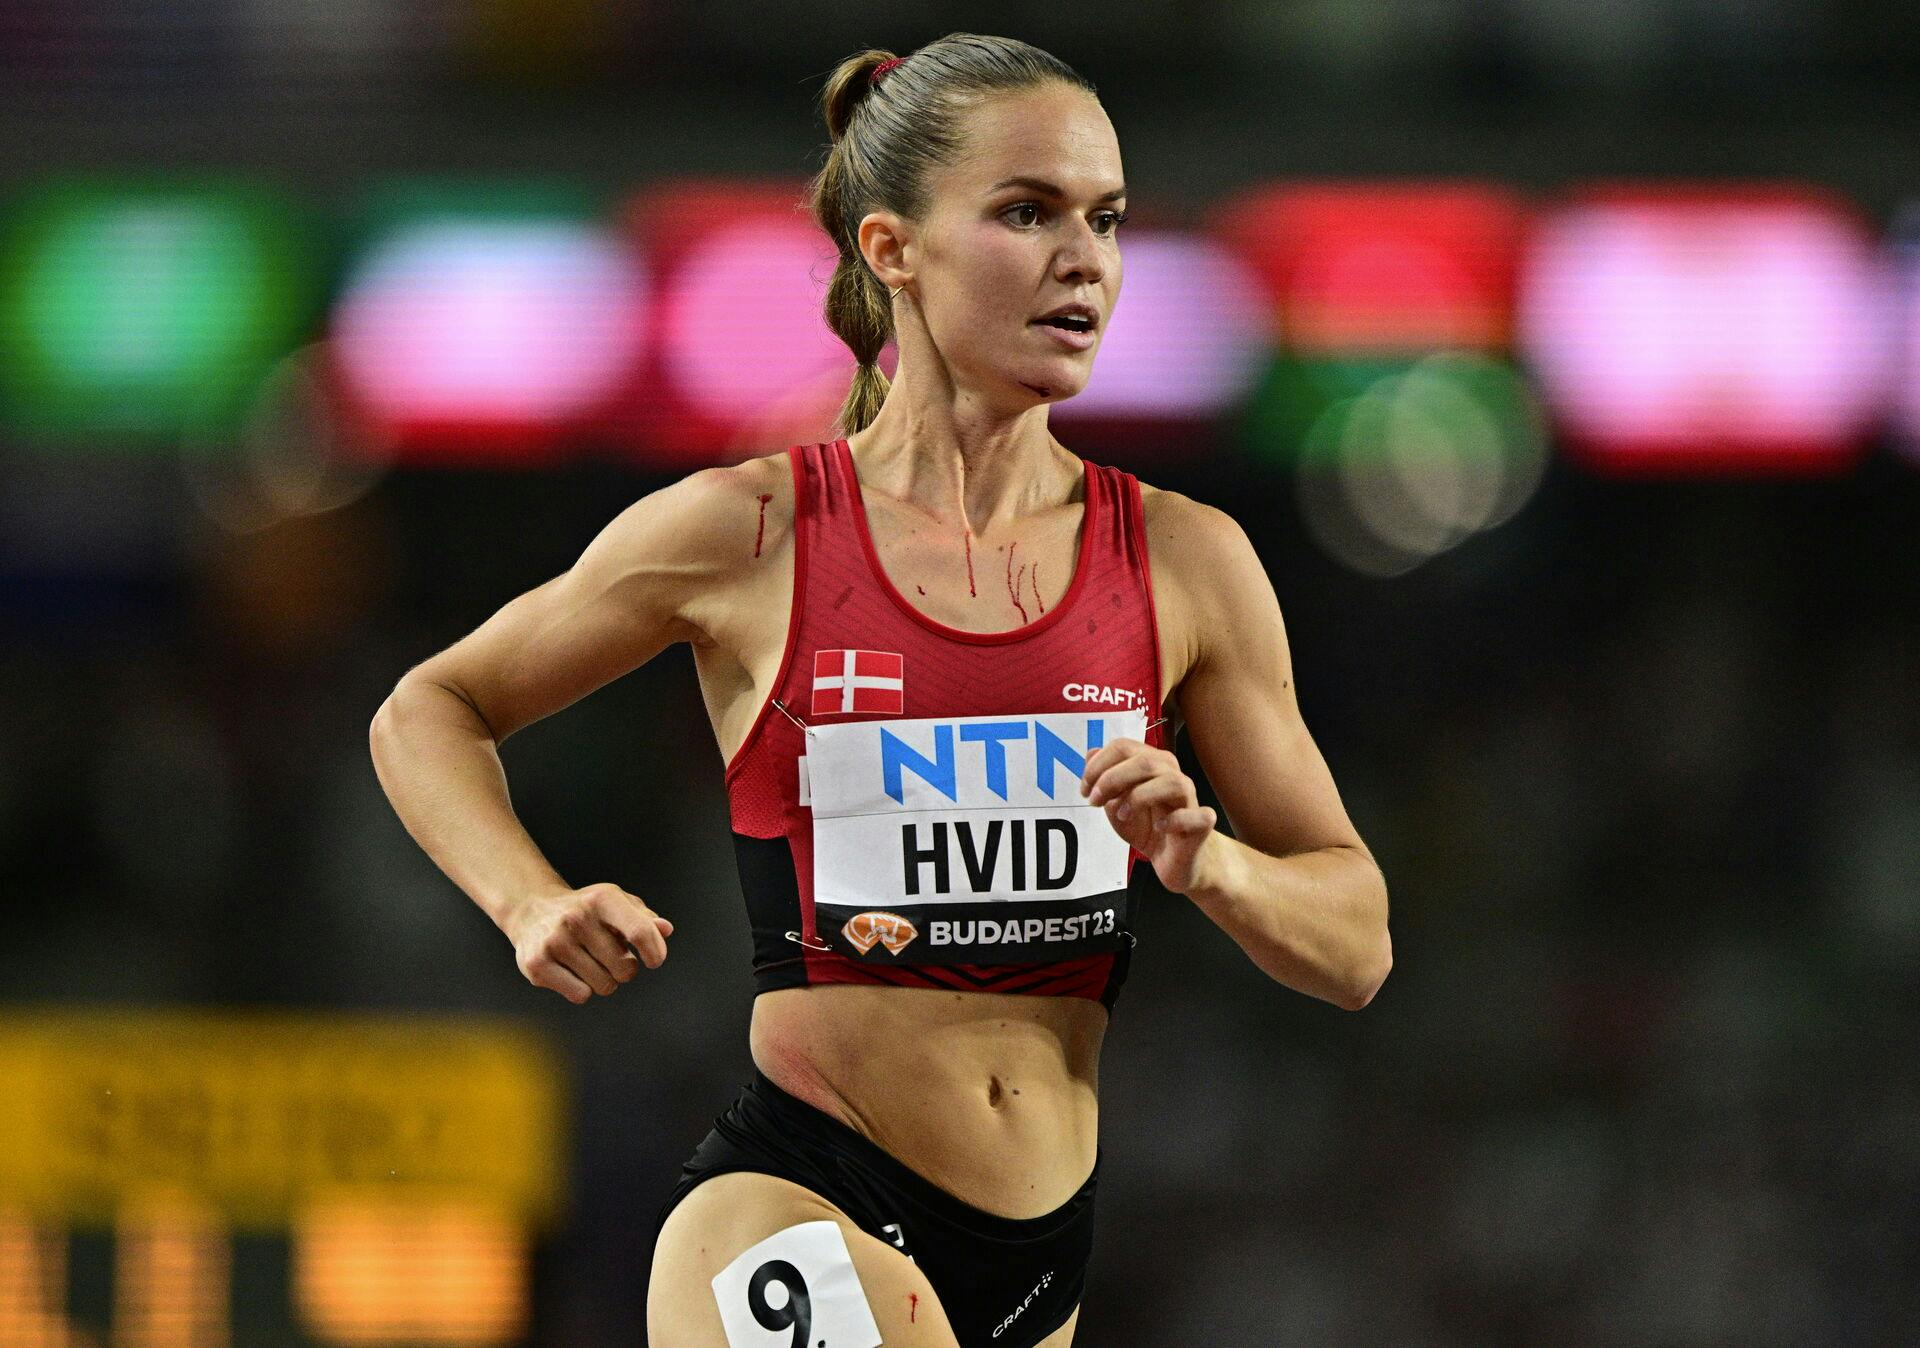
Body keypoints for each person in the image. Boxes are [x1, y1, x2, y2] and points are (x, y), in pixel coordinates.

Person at [368, 32, 1391, 1348]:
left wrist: (1214, 868)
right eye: (1027, 213)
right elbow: (430, 713)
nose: (1084, 258)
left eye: (1108, 218)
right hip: (796, 1198)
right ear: (892, 250)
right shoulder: (756, 534)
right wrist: (529, 900)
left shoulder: (1185, 564)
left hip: (1036, 1260)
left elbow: (1357, 943)